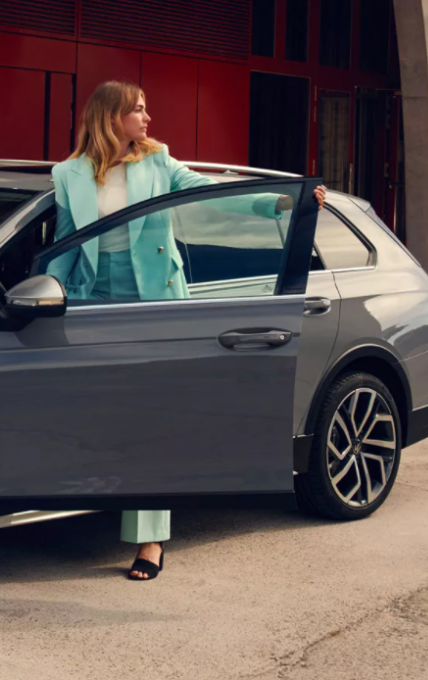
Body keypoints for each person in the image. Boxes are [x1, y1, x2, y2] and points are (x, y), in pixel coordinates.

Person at [48, 80, 325, 581]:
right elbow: (67, 242)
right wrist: (49, 295)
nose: (147, 117)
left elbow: (210, 193)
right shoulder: (68, 173)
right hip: (95, 302)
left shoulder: (158, 162)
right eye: (138, 109)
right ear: (111, 116)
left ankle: (150, 540)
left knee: (149, 420)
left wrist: (282, 203)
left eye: (146, 108)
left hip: (156, 303)